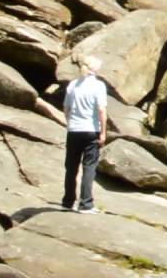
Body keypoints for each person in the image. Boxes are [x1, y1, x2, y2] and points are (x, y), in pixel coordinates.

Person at [62, 55, 107, 214]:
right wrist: (103, 132)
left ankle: (68, 201)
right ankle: (86, 204)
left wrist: (70, 123)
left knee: (71, 167)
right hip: (91, 130)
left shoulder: (73, 85)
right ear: (95, 70)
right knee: (89, 167)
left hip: (74, 130)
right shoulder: (98, 86)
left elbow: (66, 108)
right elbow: (101, 110)